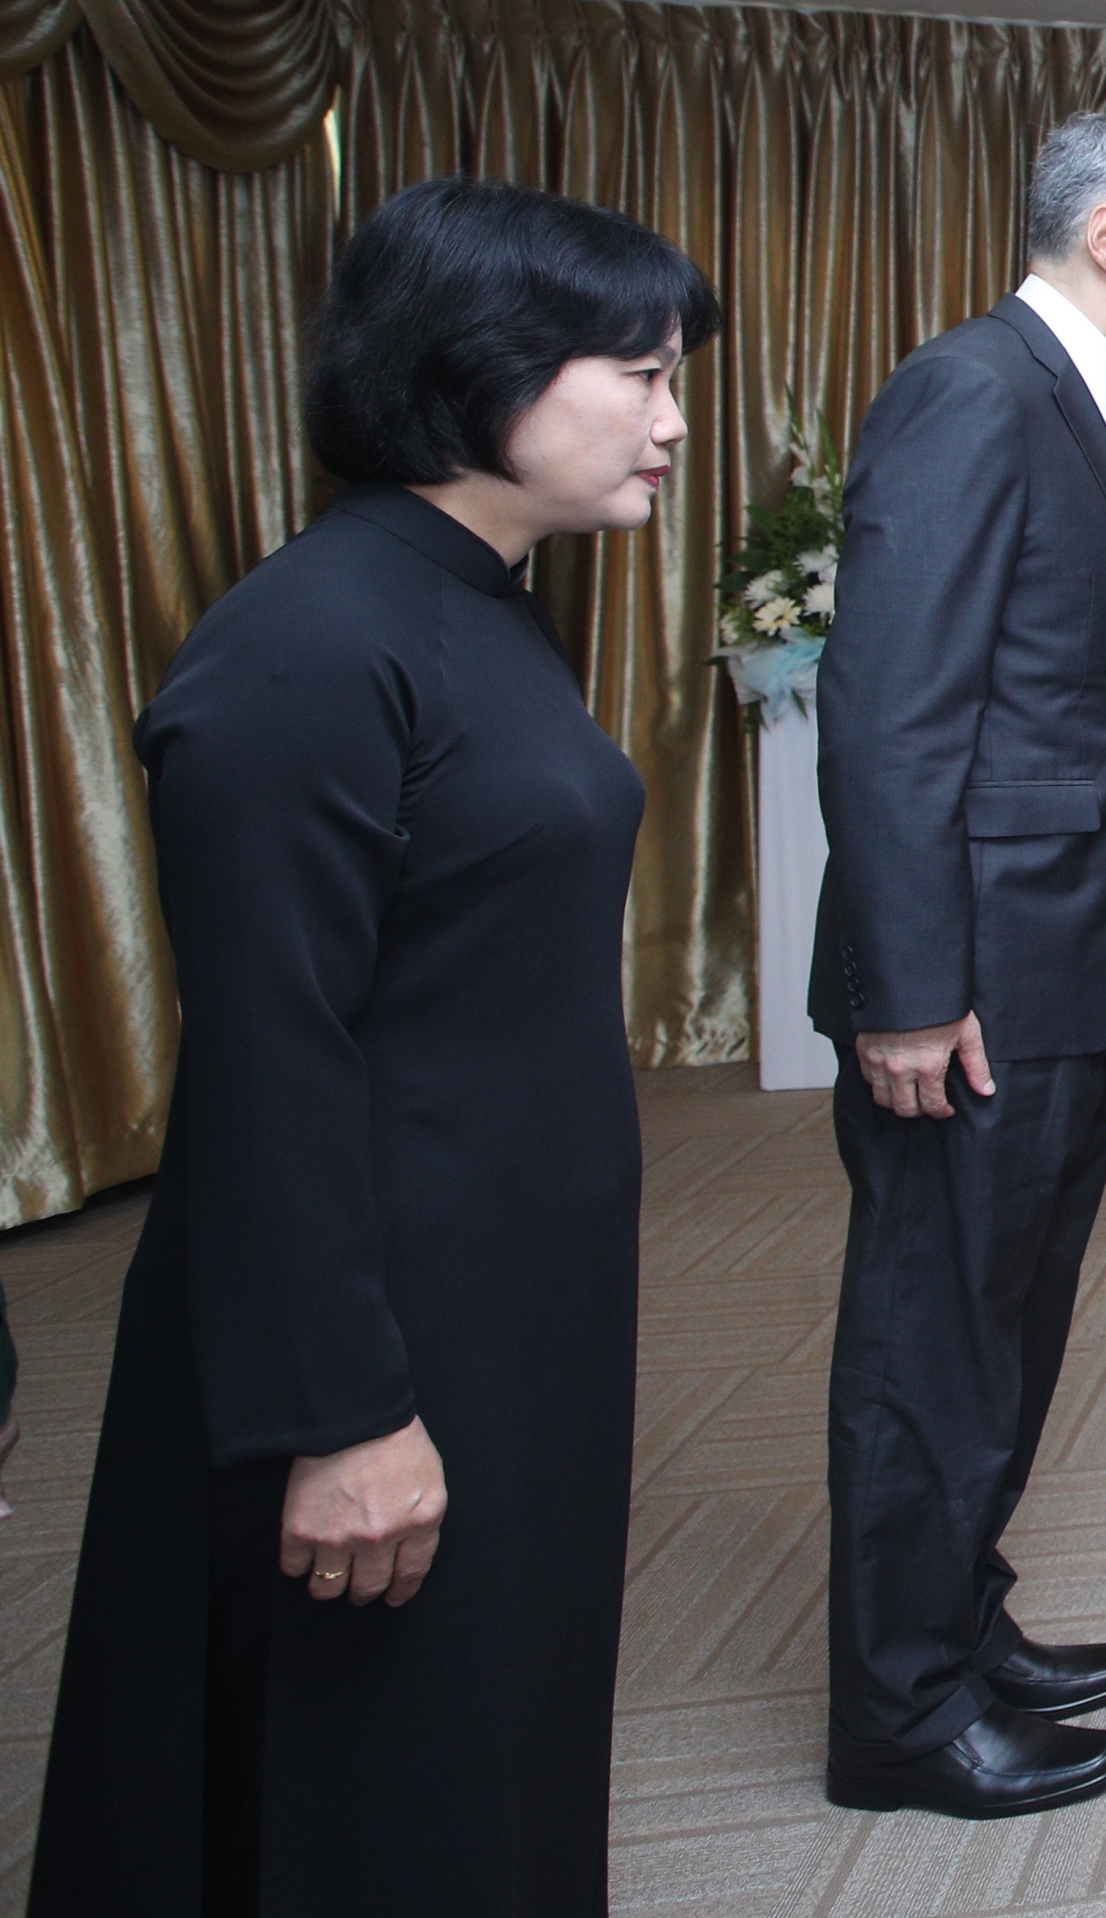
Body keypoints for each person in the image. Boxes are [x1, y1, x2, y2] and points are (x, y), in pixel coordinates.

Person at [31, 177, 715, 1916]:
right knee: (370, 1757)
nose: (674, 417)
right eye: (635, 374)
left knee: (485, 1717)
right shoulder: (309, 645)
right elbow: (271, 1060)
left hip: (503, 1286)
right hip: (379, 1315)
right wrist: (340, 1416)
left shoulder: (483, 603)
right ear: (480, 372)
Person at [810, 109, 1106, 1818]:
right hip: (973, 988)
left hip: (1063, 962)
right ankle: (897, 1715)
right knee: (933, 1346)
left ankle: (955, 1619)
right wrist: (908, 990)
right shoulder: (974, 391)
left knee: (1007, 1324)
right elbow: (891, 711)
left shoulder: (1082, 407)